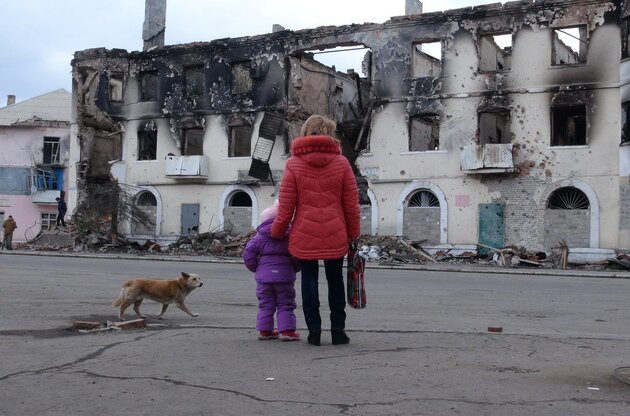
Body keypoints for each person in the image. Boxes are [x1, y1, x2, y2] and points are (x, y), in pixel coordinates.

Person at [271, 114, 360, 346]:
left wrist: (277, 231)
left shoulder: (293, 164)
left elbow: (286, 204)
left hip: (304, 233)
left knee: (309, 280)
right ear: (330, 134)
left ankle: (314, 332)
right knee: (335, 280)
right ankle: (338, 331)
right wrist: (353, 233)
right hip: (336, 231)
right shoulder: (342, 163)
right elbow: (351, 203)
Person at [243, 200, 301, 342]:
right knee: (286, 303)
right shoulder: (290, 236)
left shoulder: (259, 237)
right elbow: (298, 255)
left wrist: (257, 268)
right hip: (285, 277)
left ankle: (265, 331)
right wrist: (294, 268)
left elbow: (248, 255)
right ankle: (287, 331)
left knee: (265, 304)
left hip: (264, 278)